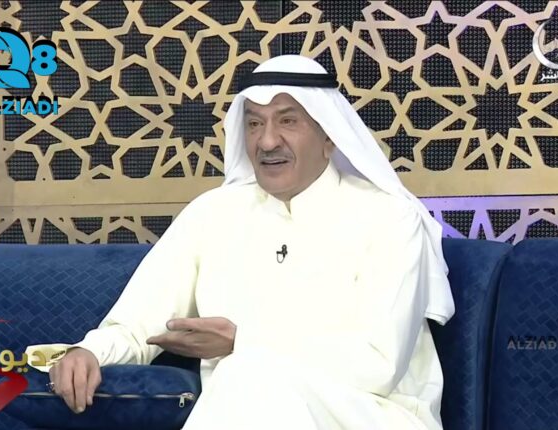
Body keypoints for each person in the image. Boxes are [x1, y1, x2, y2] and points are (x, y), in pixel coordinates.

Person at [26, 54, 455, 430]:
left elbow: (378, 365)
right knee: (246, 377)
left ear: (329, 135)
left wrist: (244, 342)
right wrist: (89, 352)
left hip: (372, 414)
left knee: (247, 372)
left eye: (287, 121)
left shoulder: (388, 218)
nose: (267, 141)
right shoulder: (214, 214)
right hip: (246, 410)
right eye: (254, 123)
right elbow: (139, 322)